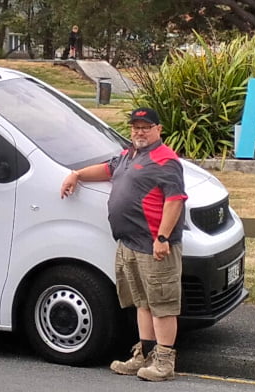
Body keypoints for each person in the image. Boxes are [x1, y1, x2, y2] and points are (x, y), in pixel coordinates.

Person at [59, 107, 187, 382]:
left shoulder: (166, 160)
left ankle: (164, 361)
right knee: (142, 302)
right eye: (136, 126)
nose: (140, 131)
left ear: (158, 129)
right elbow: (107, 170)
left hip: (155, 246)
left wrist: (163, 238)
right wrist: (77, 175)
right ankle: (145, 353)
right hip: (129, 244)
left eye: (146, 126)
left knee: (162, 303)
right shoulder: (129, 154)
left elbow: (175, 200)